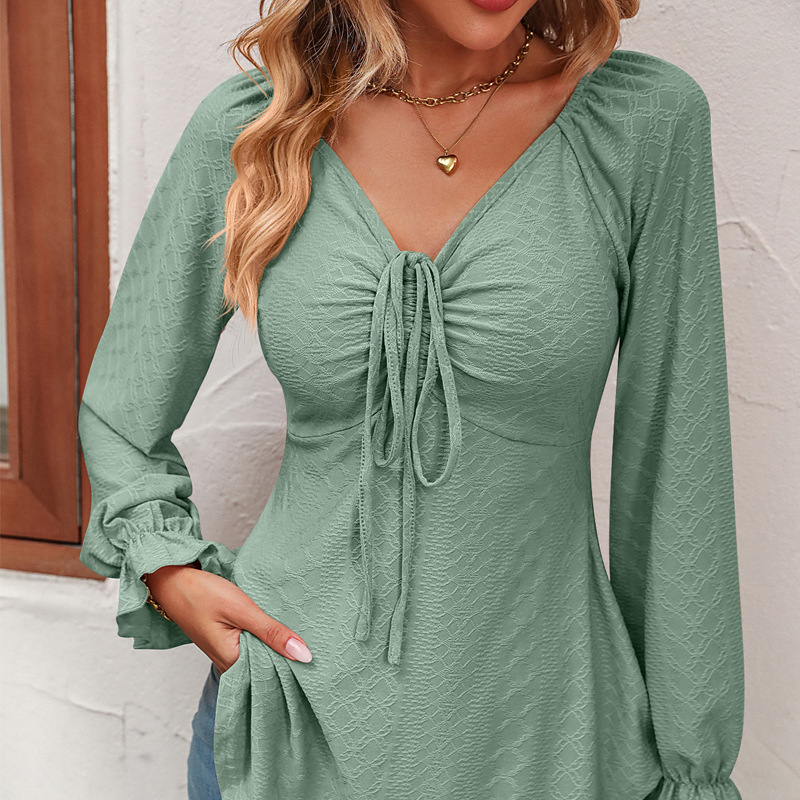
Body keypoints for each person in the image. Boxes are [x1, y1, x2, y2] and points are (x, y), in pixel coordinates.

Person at [77, 0, 746, 799]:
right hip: (288, 726)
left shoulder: (641, 121)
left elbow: (679, 464)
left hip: (544, 739)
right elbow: (120, 412)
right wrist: (168, 570)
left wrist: (694, 761)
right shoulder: (260, 125)